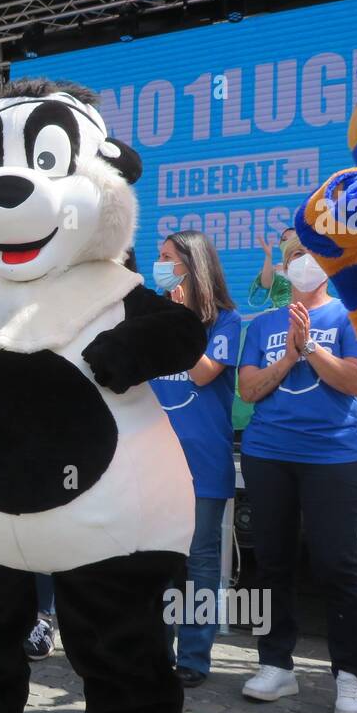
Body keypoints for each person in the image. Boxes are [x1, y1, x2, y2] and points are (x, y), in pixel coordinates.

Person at [236, 232, 357, 713]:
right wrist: (289, 356)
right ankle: (276, 664)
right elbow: (248, 390)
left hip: (333, 457)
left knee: (337, 565)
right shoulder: (263, 323)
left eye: (310, 252)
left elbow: (355, 382)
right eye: (294, 253)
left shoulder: (348, 315)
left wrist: (310, 344)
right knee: (271, 564)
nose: (301, 260)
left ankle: (351, 676)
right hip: (268, 453)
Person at [149, 230, 241, 688]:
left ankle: (195, 657)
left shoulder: (225, 321)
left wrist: (179, 320)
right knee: (158, 560)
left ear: (192, 265)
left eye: (168, 257)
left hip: (202, 462)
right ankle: (155, 650)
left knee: (200, 562)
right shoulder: (155, 318)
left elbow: (204, 374)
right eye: (159, 256)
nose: (159, 264)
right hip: (153, 464)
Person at [247, 227, 295, 309]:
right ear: (280, 244)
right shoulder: (273, 270)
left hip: (307, 317)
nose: (287, 243)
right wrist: (268, 257)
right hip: (279, 317)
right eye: (284, 240)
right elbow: (256, 300)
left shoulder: (312, 268)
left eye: (293, 240)